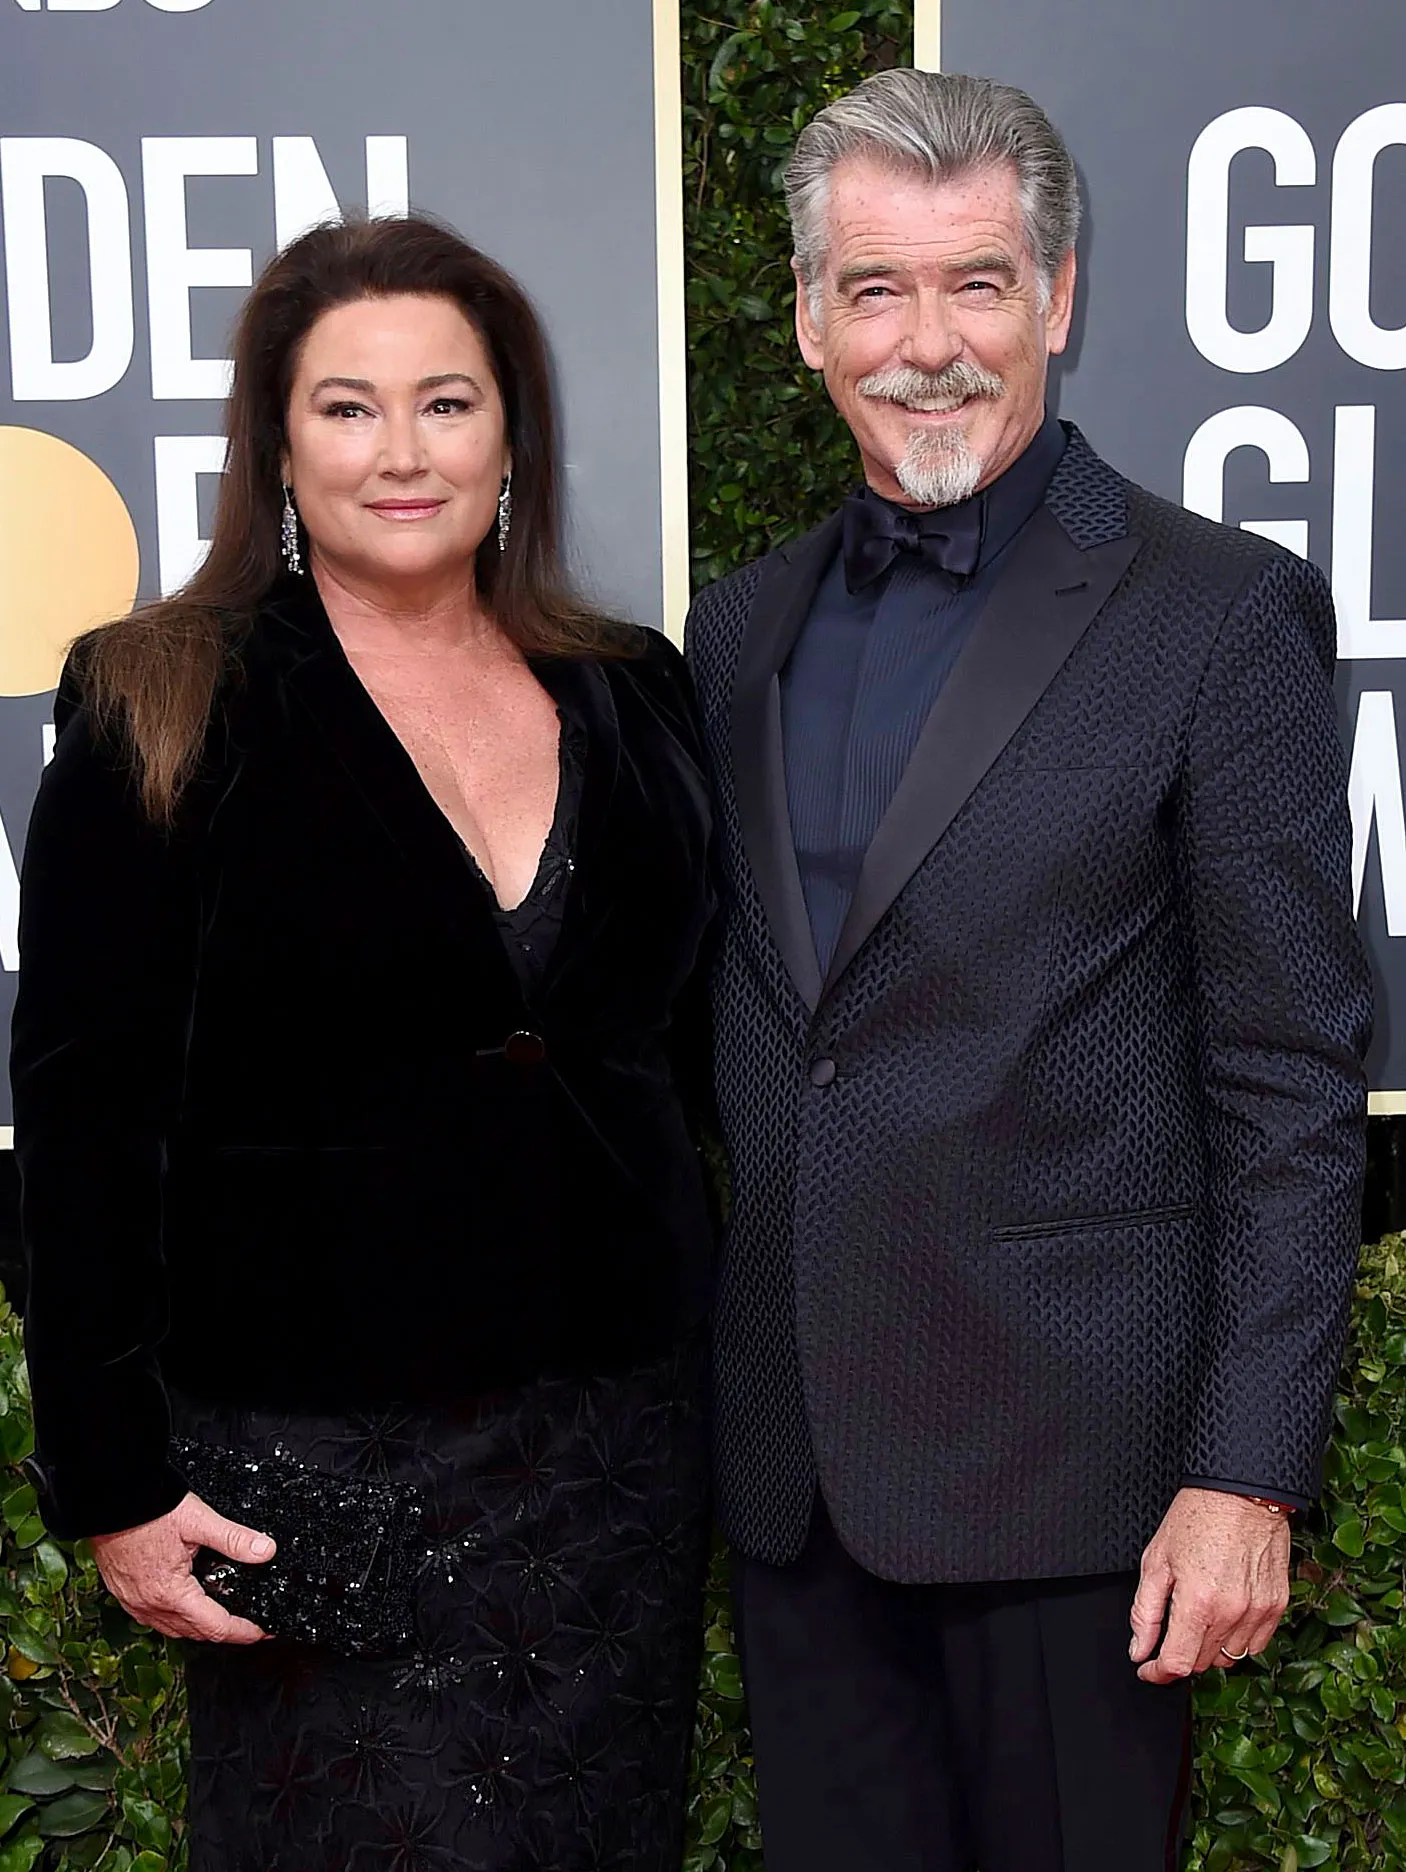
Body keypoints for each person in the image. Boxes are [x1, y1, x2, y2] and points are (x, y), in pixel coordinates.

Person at [685, 69, 1371, 1872]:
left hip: (1082, 1493)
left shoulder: (1215, 613)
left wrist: (1245, 1472)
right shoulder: (734, 629)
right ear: (810, 322)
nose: (928, 346)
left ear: (1055, 300)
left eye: (976, 283)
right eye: (875, 290)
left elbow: (1288, 1083)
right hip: (800, 1480)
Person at [13, 214, 717, 1872]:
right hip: (317, 1463)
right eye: (347, 407)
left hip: (610, 1456)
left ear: (511, 433)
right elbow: (83, 1114)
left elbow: (686, 1057)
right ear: (276, 443)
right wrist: (112, 1479)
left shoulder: (633, 689)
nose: (402, 452)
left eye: (446, 402)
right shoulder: (156, 693)